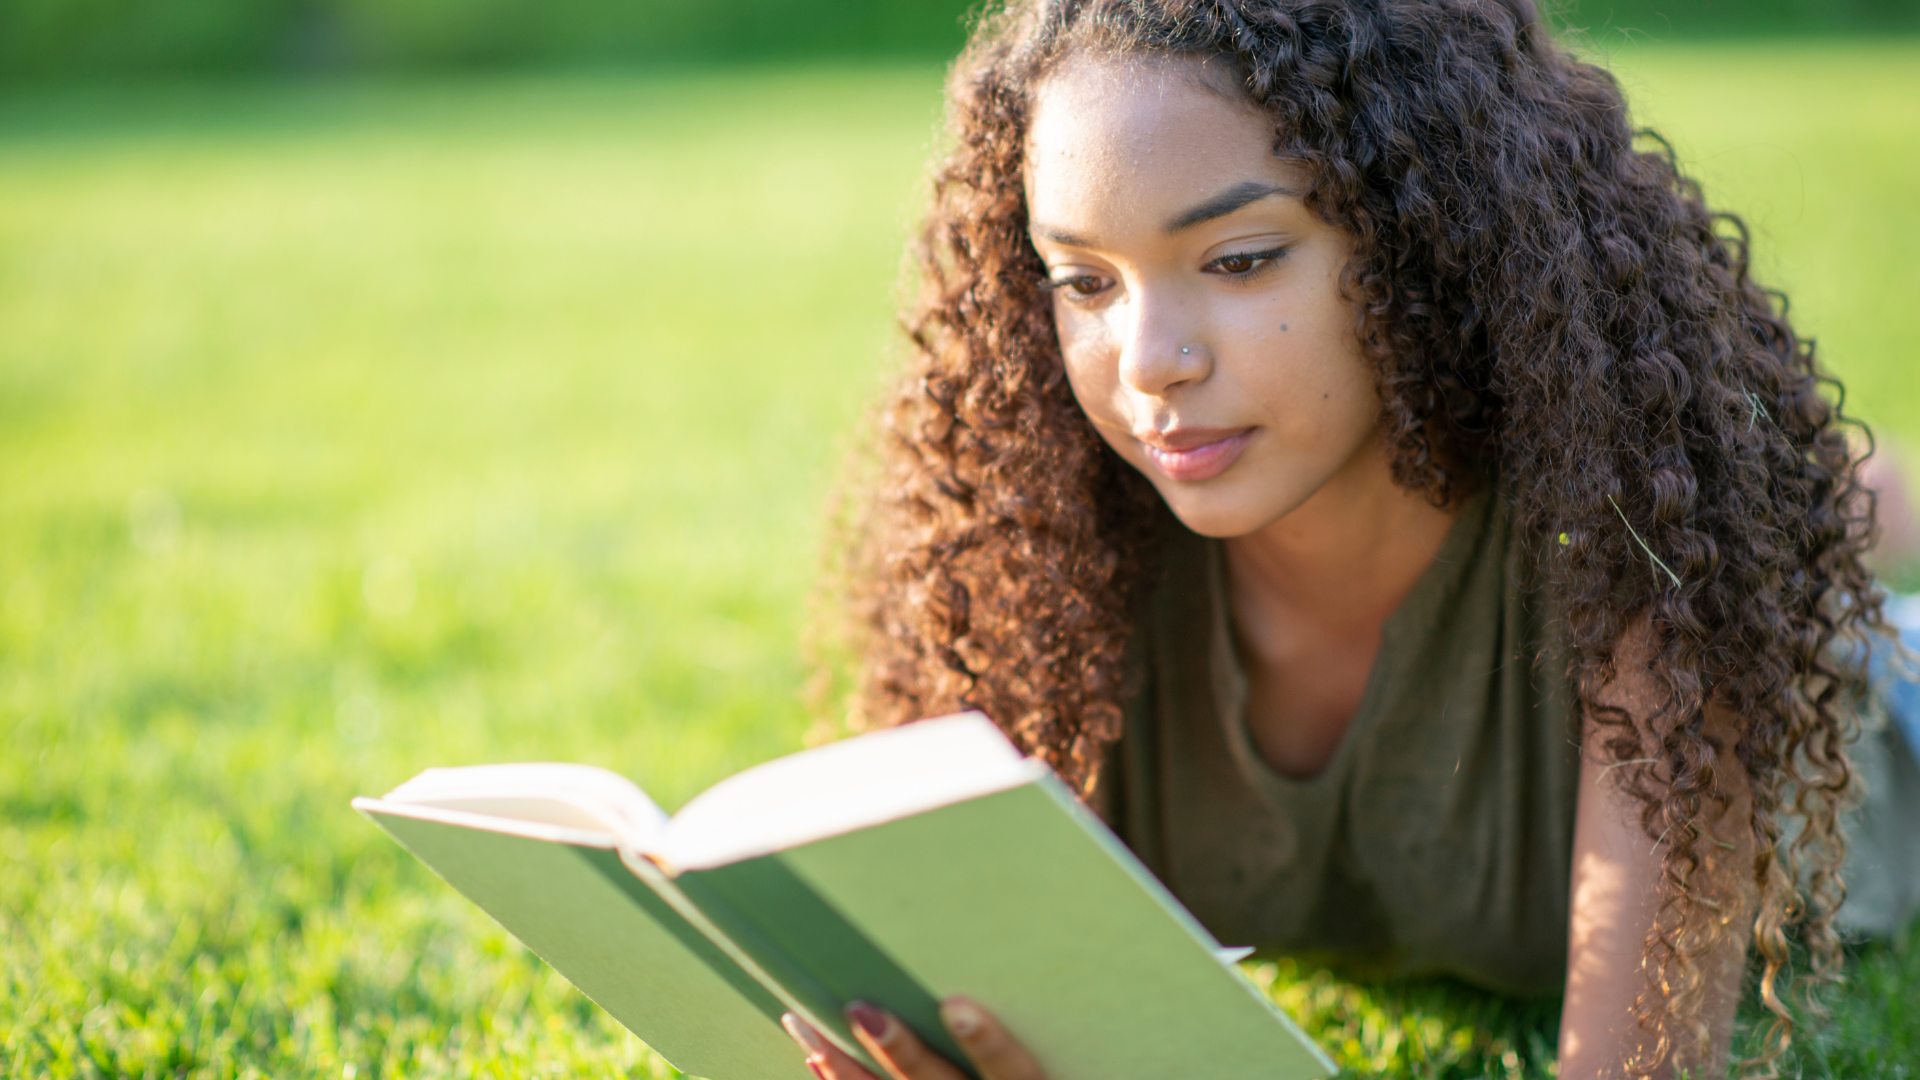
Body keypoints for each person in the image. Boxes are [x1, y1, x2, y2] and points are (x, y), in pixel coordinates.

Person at [790, 1, 1920, 1077]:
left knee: (1846, 516)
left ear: (1429, 238)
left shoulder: (1649, 561)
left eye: (1238, 260)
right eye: (1083, 280)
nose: (1147, 361)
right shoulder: (1048, 569)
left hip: (1895, 696)